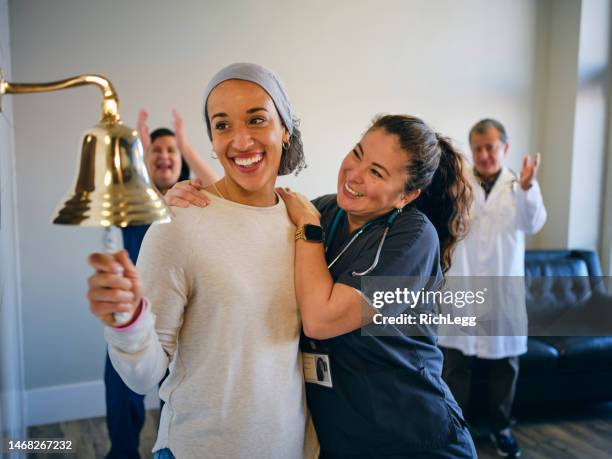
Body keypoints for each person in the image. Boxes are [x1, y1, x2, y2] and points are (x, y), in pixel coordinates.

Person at [168, 114, 478, 457]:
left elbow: (321, 319)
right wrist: (198, 201)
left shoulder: (413, 237)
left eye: (376, 172)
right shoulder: (323, 210)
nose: (354, 174)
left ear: (406, 195)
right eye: (357, 153)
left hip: (411, 436)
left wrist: (309, 228)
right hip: (341, 437)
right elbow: (245, 218)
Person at [87, 63, 317, 459]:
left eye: (257, 119)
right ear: (210, 139)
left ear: (285, 128)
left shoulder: (306, 221)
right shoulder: (180, 222)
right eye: (223, 125)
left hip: (293, 448)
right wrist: (126, 324)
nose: (241, 140)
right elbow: (144, 376)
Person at [104, 111, 219, 459]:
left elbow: (217, 187)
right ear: (144, 159)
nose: (164, 156)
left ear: (181, 159)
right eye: (156, 150)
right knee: (122, 390)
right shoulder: (134, 201)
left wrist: (185, 145)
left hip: (181, 319)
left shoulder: (193, 199)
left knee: (176, 397)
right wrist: (138, 149)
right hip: (135, 317)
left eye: (172, 150)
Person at [437, 119, 547, 458]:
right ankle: (456, 430)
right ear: (472, 150)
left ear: (505, 149)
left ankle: (501, 429)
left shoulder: (520, 186)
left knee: (505, 367)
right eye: (479, 148)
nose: (485, 155)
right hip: (463, 288)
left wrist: (528, 189)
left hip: (502, 294)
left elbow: (533, 223)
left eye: (492, 147)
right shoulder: (458, 184)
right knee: (455, 366)